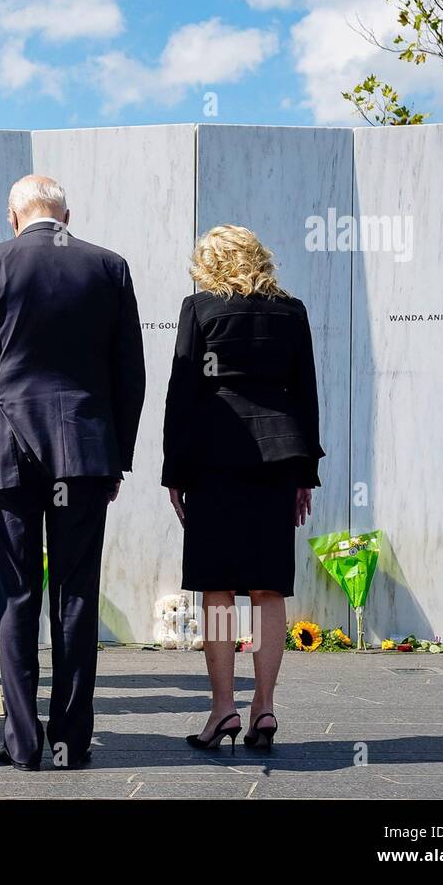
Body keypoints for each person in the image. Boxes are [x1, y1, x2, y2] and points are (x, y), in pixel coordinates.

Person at [0, 174, 146, 771]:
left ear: (14, 218)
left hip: (9, 452)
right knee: (77, 595)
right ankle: (70, 740)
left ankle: (22, 741)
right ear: (68, 213)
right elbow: (129, 373)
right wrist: (118, 456)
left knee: (17, 595)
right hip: (86, 452)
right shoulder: (108, 267)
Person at [161, 224, 324, 753]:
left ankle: (223, 709)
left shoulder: (200, 308)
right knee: (268, 588)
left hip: (214, 458)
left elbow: (182, 389)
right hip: (278, 458)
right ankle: (265, 708)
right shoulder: (291, 312)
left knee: (217, 588)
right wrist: (305, 473)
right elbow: (305, 392)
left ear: (210, 263)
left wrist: (174, 472)